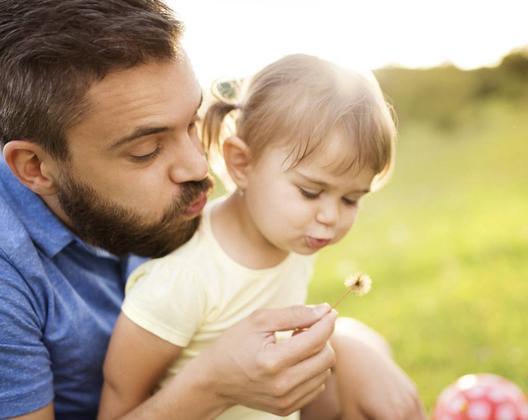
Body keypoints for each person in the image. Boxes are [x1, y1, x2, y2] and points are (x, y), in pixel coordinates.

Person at [0, 1, 423, 419]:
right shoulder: (9, 279)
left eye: (192, 123)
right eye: (146, 151)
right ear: (36, 167)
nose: (201, 167)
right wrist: (214, 385)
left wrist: (351, 346)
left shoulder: (225, 213)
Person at [98, 53, 423, 420]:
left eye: (351, 198)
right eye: (310, 192)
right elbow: (119, 404)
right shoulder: (183, 279)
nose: (331, 217)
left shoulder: (294, 240)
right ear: (242, 163)